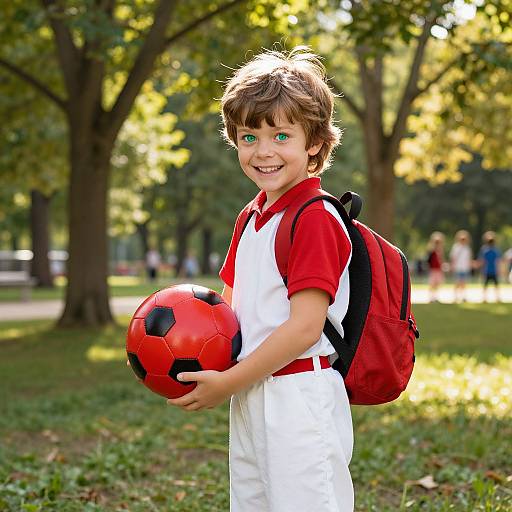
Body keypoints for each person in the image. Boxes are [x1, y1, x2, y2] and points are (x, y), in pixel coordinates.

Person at [167, 46, 354, 511]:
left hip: (298, 396)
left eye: (281, 136)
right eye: (248, 137)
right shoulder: (251, 217)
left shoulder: (314, 217)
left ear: (314, 142)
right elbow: (227, 311)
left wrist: (229, 382)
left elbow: (304, 327)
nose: (263, 151)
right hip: (251, 392)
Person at [449, 230, 473, 303]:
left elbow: (469, 258)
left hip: (465, 268)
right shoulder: (456, 247)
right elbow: (453, 258)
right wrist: (452, 266)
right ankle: (456, 296)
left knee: (464, 283)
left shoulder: (467, 248)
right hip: (458, 267)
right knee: (457, 283)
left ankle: (463, 296)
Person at [478, 231, 502, 302]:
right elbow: (482, 261)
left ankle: (497, 298)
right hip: (487, 270)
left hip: (493, 270)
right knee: (486, 285)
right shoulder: (485, 250)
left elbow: (497, 261)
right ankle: (485, 298)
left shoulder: (495, 250)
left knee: (495, 285)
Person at [426, 232, 445, 303]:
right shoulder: (431, 251)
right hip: (433, 269)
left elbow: (441, 260)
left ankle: (435, 296)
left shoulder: (440, 251)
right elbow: (429, 260)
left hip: (438, 269)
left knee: (437, 283)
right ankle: (431, 297)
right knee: (432, 283)